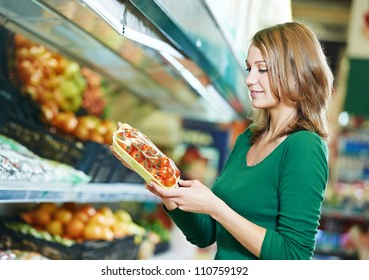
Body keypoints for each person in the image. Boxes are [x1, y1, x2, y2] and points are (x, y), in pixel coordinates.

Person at [112, 21, 334, 260]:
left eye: (263, 69)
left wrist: (216, 207)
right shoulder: (248, 139)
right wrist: (168, 190)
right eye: (250, 69)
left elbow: (294, 256)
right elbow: (206, 235)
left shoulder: (305, 147)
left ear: (295, 73)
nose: (249, 80)